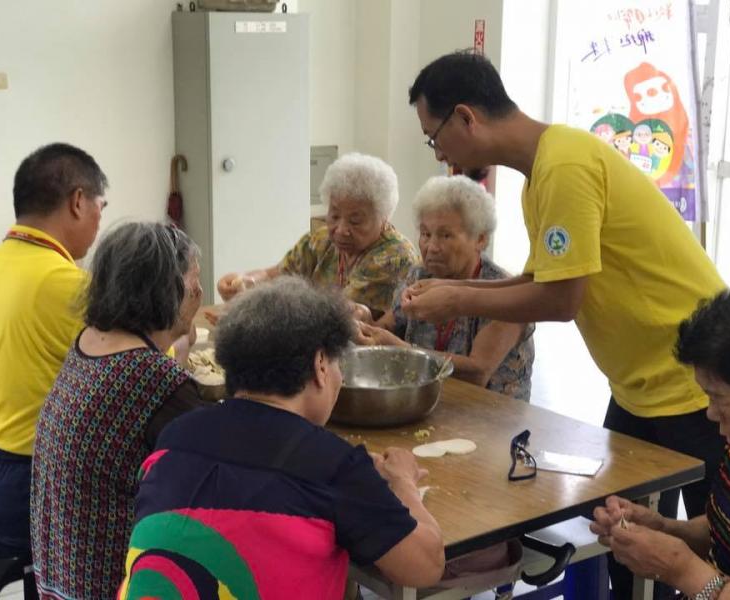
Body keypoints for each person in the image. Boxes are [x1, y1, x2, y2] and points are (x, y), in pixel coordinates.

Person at [405, 51, 726, 598]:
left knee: (718, 547)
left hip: (694, 381)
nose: (440, 154)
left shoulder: (565, 166)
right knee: (625, 536)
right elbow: (538, 276)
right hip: (638, 383)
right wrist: (458, 294)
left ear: (465, 117)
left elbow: (560, 300)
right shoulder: (541, 176)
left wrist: (457, 296)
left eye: (434, 137)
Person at [118, 277, 445, 599]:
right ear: (319, 364)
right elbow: (425, 567)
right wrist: (404, 483)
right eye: (337, 364)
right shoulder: (331, 465)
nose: (339, 377)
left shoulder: (177, 435)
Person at [30, 222, 209, 600]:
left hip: (59, 576)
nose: (200, 293)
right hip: (112, 585)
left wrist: (179, 342)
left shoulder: (90, 340)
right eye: (193, 281)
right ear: (166, 291)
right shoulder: (156, 380)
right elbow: (211, 479)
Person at [591, 284, 730, 598]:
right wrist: (663, 528)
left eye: (720, 398)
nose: (711, 413)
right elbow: (727, 533)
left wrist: (679, 568)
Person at [0, 143, 107, 563]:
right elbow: (137, 369)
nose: (99, 220)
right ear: (77, 202)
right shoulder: (67, 283)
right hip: (32, 481)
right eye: (99, 206)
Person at [356, 175, 534, 400]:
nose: (431, 247)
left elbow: (478, 373)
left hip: (493, 419)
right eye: (425, 234)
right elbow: (389, 325)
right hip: (430, 407)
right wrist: (363, 320)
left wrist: (401, 350)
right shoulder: (419, 276)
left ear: (480, 239)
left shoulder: (506, 294)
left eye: (445, 235)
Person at [217, 152, 419, 318]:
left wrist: (251, 308)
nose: (340, 230)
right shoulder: (321, 240)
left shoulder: (394, 256)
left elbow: (335, 313)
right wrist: (245, 282)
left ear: (383, 218)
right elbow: (277, 275)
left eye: (355, 221)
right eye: (334, 215)